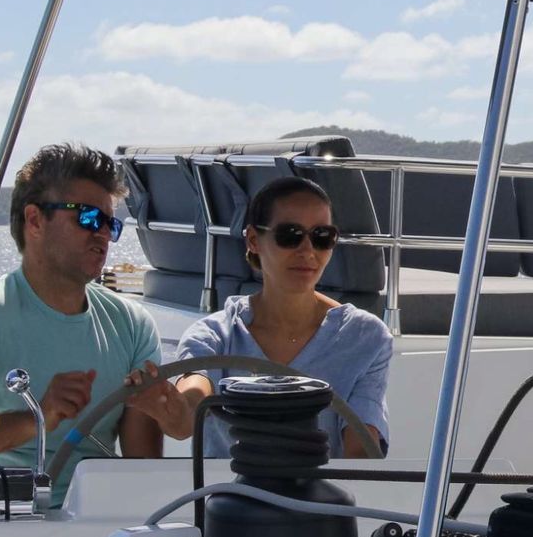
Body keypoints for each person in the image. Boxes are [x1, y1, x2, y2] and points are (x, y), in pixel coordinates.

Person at [0, 143, 187, 501]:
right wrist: (36, 418)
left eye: (111, 224)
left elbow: (142, 470)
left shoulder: (132, 323)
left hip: (91, 529)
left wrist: (164, 411)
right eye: (88, 217)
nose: (103, 234)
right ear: (34, 220)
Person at [167, 176, 391, 458]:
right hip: (226, 500)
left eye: (322, 236)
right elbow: (189, 409)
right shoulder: (213, 336)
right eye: (290, 235)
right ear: (253, 240)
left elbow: (361, 456)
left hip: (321, 502)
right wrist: (170, 408)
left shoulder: (366, 336)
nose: (307, 250)